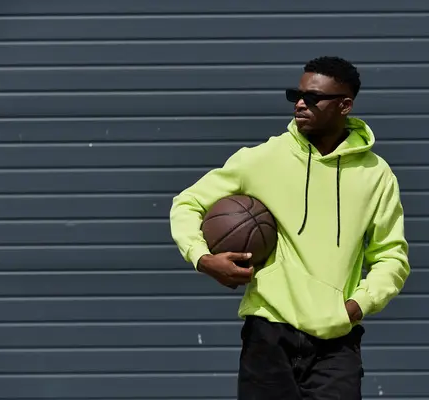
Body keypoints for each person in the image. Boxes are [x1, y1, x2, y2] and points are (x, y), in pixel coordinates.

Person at [169, 56, 410, 399]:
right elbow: (187, 203)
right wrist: (203, 258)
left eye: (312, 98)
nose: (300, 103)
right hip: (267, 335)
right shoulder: (263, 159)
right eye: (295, 95)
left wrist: (357, 305)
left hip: (336, 341)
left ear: (345, 105)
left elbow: (392, 256)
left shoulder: (375, 174)